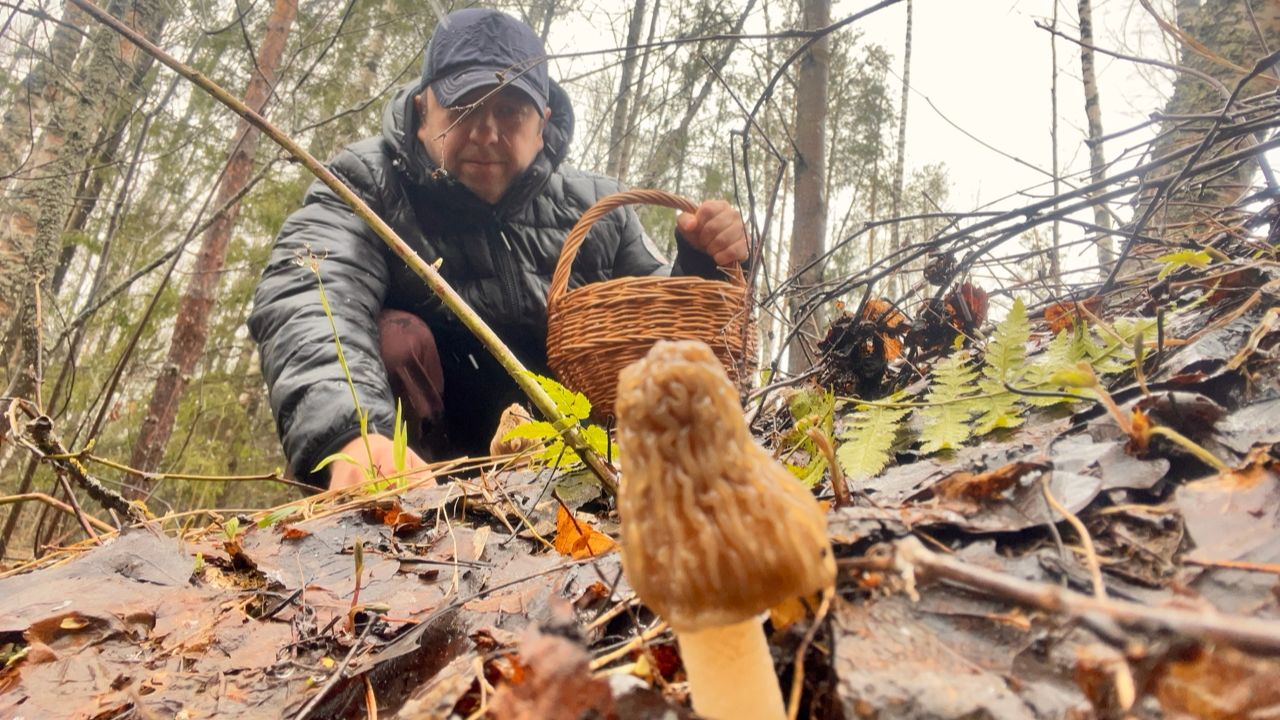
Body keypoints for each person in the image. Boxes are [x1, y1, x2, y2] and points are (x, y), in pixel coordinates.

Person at [248, 8, 749, 490]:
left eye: (510, 111)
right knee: (397, 338)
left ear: (543, 122)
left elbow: (647, 322)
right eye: (464, 107)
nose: (486, 133)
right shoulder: (367, 184)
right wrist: (350, 431)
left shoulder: (600, 208)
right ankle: (388, 497)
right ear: (424, 109)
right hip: (421, 472)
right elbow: (309, 293)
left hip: (572, 462)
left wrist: (701, 263)